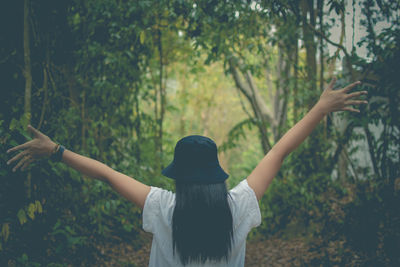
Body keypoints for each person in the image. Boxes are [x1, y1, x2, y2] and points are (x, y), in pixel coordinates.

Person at [7, 78, 367, 266]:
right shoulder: (238, 206)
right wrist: (320, 109)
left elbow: (106, 174)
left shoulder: (162, 207)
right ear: (216, 175)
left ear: (178, 176)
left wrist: (56, 151)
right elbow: (279, 151)